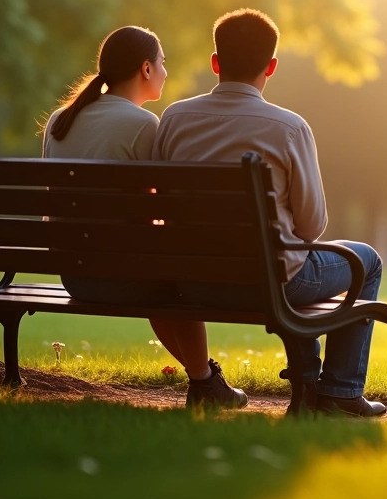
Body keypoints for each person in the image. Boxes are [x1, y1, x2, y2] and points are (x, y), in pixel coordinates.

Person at [153, 8, 387, 417]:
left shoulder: (174, 118)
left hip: (192, 282)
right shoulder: (289, 127)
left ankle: (314, 381)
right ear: (272, 67)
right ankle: (340, 391)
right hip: (269, 282)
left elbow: (159, 203)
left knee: (289, 257)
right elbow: (312, 226)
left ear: (215, 62)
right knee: (366, 261)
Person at [42, 26, 247, 408]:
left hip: (74, 274)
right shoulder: (143, 124)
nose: (167, 72)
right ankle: (205, 382)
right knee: (176, 284)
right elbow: (164, 207)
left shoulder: (60, 120)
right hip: (124, 277)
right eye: (163, 63)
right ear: (146, 69)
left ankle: (206, 381)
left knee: (159, 275)